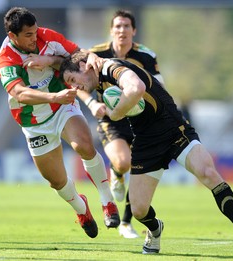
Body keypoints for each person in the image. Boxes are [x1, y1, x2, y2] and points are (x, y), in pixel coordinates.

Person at [59, 51, 233, 254]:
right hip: (146, 142)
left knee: (208, 173)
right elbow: (60, 57)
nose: (74, 87)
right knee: (138, 209)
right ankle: (155, 230)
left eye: (72, 79)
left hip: (173, 129)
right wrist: (42, 59)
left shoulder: (110, 68)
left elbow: (136, 87)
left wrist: (115, 112)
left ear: (85, 66)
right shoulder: (95, 75)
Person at [0, 7, 120, 239]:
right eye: (28, 35)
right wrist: (53, 96)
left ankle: (107, 201)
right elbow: (21, 94)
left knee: (84, 144)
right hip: (33, 120)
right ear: (13, 37)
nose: (35, 37)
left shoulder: (47, 36)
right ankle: (82, 209)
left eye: (35, 32)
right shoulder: (6, 60)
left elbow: (76, 56)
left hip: (62, 106)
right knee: (56, 181)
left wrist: (55, 59)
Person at [77, 9, 165, 239]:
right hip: (109, 117)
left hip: (139, 119)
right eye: (117, 26)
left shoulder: (146, 56)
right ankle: (116, 173)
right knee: (123, 162)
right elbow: (78, 85)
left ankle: (126, 223)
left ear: (134, 31)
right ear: (111, 30)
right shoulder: (95, 54)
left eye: (126, 26)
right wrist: (92, 105)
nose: (122, 30)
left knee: (139, 168)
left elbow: (159, 87)